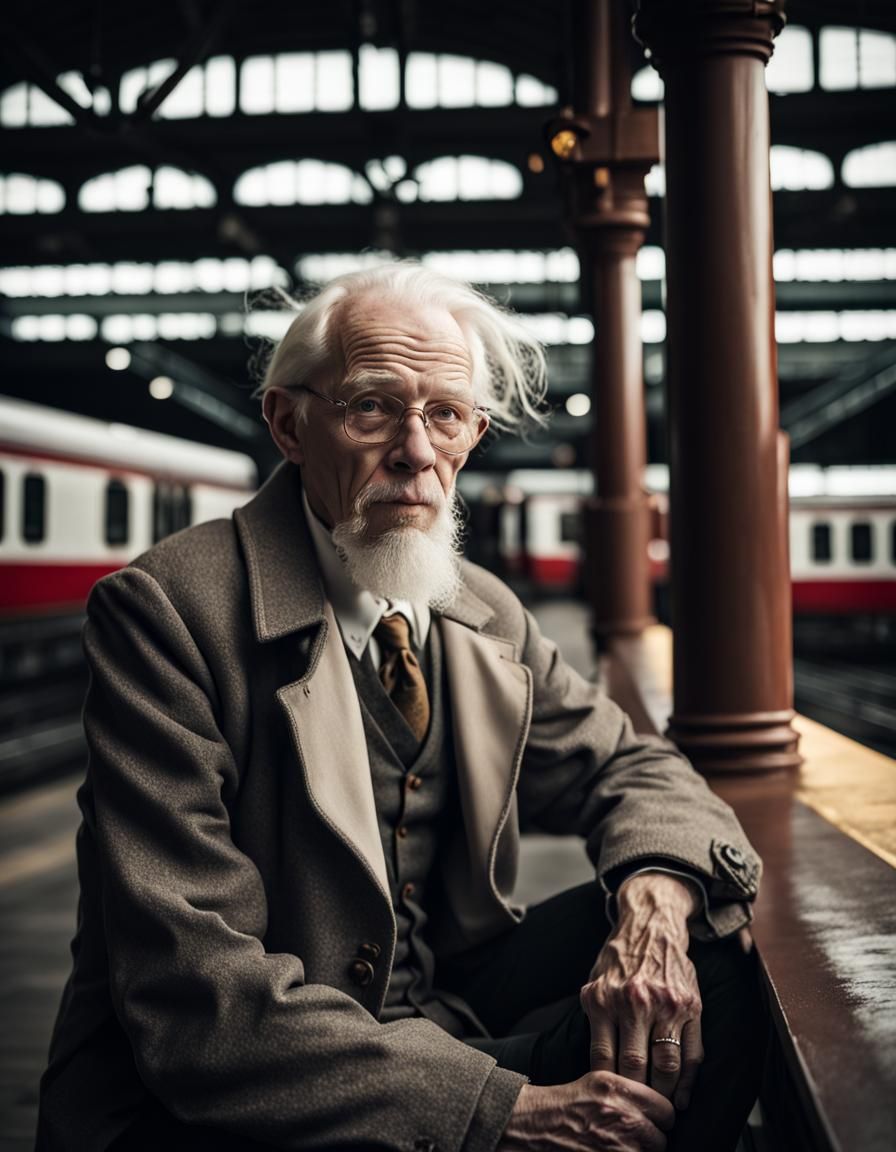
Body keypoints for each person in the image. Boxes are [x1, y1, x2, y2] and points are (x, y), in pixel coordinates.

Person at [37, 262, 765, 1152]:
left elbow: (630, 763)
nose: (417, 451)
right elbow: (197, 997)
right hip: (248, 1090)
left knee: (713, 952)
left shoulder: (482, 610)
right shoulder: (170, 612)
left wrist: (654, 898)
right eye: (373, 407)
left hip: (443, 1018)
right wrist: (504, 1113)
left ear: (473, 435)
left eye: (446, 415)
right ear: (289, 424)